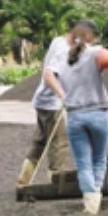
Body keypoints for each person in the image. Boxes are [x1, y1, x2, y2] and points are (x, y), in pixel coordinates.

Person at [45, 22, 108, 215]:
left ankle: (90, 201)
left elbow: (48, 74)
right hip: (98, 114)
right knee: (99, 160)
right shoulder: (94, 52)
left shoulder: (61, 58)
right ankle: (95, 197)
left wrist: (63, 96)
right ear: (90, 38)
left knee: (83, 163)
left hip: (75, 116)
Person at [15, 34, 71, 187]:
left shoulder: (58, 41)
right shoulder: (63, 50)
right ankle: (56, 182)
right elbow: (49, 74)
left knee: (40, 141)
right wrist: (63, 96)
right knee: (59, 143)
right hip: (52, 103)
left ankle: (23, 179)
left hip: (42, 101)